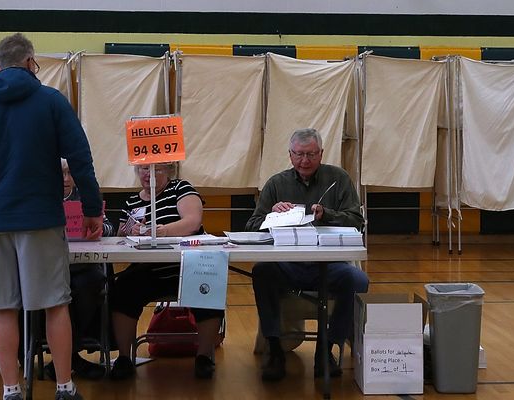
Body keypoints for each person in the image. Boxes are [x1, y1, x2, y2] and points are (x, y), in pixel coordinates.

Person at [0, 33, 100, 400]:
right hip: (42, 219)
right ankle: (64, 387)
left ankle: (11, 390)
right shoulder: (51, 101)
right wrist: (92, 208)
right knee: (54, 305)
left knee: (2, 310)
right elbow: (80, 158)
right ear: (32, 63)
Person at [247, 128, 369, 381]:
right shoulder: (276, 184)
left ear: (321, 153)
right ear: (290, 155)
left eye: (311, 154)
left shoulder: (338, 179)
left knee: (357, 280)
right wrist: (273, 215)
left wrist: (328, 215)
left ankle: (328, 347)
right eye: (299, 154)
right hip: (287, 265)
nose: (305, 160)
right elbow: (252, 225)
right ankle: (274, 347)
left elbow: (357, 220)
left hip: (327, 265)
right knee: (262, 271)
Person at [107, 163, 223, 380]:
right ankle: (124, 358)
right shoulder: (132, 201)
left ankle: (204, 356)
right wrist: (126, 231)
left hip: (186, 265)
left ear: (170, 171)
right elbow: (121, 237)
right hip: (148, 268)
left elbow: (192, 221)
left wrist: (161, 231)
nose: (148, 174)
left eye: (157, 170)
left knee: (207, 282)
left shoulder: (181, 188)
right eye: (143, 169)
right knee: (123, 287)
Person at [42, 159, 114, 381]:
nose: (65, 179)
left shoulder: (85, 196)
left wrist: (99, 230)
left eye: (69, 173)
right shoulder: (40, 197)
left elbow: (109, 226)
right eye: (60, 173)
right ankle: (70, 360)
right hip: (47, 267)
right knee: (54, 294)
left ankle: (66, 358)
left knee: (90, 285)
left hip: (82, 266)